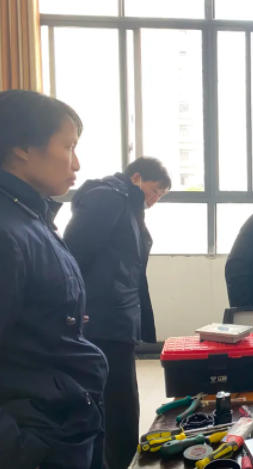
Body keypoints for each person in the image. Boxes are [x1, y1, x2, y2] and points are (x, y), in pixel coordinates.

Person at [0, 90, 108, 469]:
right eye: (68, 146)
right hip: (36, 437)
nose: (76, 162)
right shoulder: (6, 229)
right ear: (23, 148)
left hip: (64, 419)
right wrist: (20, 450)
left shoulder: (30, 217)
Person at [64, 157, 171, 469]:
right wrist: (75, 307)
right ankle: (116, 461)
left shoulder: (127, 205)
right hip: (101, 319)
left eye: (161, 196)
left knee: (120, 398)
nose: (155, 199)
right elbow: (72, 257)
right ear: (136, 178)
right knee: (115, 399)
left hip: (116, 317)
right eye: (154, 190)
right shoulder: (108, 198)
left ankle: (121, 459)